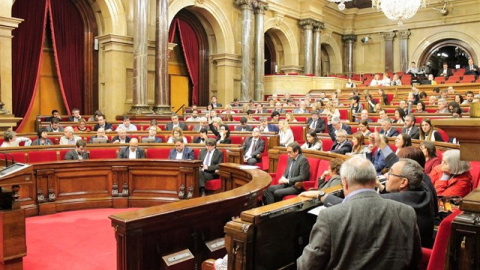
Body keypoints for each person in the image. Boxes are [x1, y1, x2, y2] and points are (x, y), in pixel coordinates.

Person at [298, 156, 422, 269]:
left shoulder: (329, 216)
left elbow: (307, 266)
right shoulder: (407, 212)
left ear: (345, 182)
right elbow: (415, 258)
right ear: (374, 181)